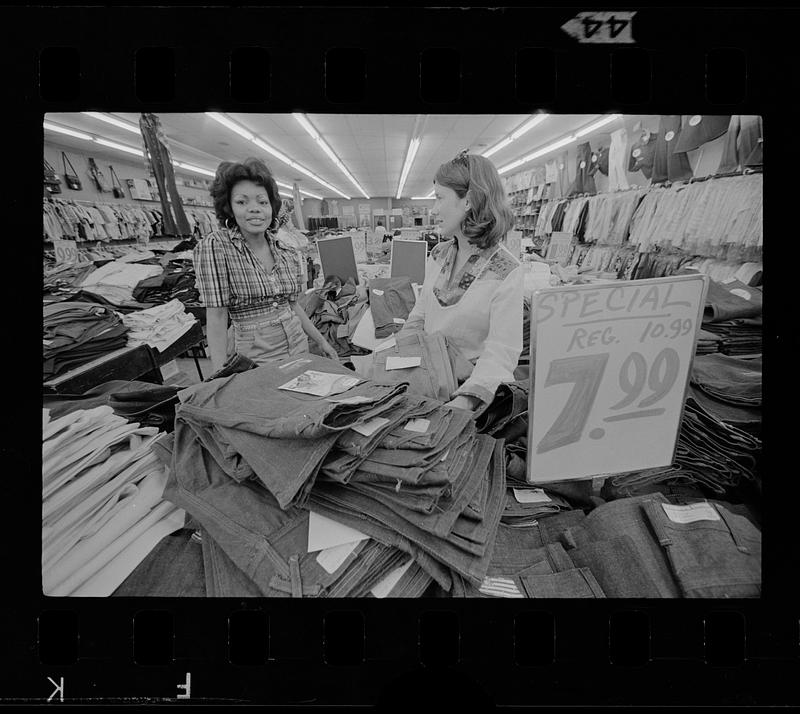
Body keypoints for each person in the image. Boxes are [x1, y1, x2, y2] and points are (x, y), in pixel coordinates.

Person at [395, 150, 523, 411]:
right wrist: (394, 356)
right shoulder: (439, 254)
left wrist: (465, 401)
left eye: (440, 198)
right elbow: (421, 315)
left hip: (467, 394)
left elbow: (501, 351)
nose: (434, 210)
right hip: (426, 379)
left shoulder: (506, 270)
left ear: (469, 200)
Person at [194, 157, 338, 372]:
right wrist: (219, 374)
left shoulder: (285, 251)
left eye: (262, 202)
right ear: (229, 207)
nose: (254, 209)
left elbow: (292, 305)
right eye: (242, 202)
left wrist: (321, 341)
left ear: (272, 206)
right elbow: (216, 316)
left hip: (297, 344)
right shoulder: (216, 247)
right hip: (255, 355)